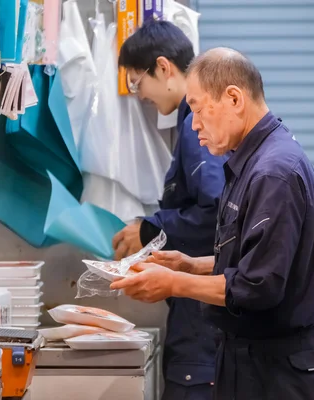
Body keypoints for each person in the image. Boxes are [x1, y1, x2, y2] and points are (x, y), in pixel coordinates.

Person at [111, 47, 314, 400]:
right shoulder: (251, 162)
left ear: (233, 98)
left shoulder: (273, 172)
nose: (194, 123)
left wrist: (174, 282)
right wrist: (191, 265)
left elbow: (259, 285)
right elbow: (255, 260)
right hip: (248, 362)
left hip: (274, 373)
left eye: (197, 108)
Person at [111, 21, 228, 400]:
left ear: (164, 68)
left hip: (202, 328)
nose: (139, 94)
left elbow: (214, 213)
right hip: (200, 321)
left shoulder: (196, 127)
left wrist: (150, 228)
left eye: (137, 81)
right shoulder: (191, 124)